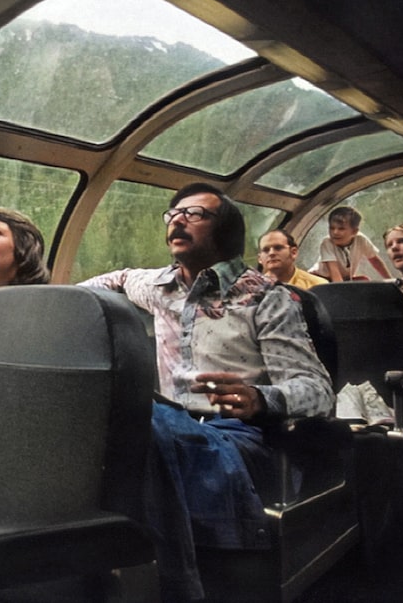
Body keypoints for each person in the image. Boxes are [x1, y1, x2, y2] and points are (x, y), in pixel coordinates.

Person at [79, 182, 333, 601]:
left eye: (195, 214)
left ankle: (180, 589)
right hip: (167, 421)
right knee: (114, 416)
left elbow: (318, 390)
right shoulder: (156, 286)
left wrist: (260, 398)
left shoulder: (267, 299)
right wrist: (51, 302)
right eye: (174, 213)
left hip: (238, 435)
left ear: (225, 232)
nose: (178, 219)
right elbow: (116, 280)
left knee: (141, 424)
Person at [337, 219, 403, 423]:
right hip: (383, 369)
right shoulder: (387, 292)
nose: (394, 248)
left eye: (402, 241)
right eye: (389, 245)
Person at [311, 205, 391, 282]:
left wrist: (390, 280)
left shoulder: (360, 239)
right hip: (320, 278)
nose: (335, 232)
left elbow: (375, 261)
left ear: (354, 231)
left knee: (364, 281)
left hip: (344, 278)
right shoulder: (327, 243)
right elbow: (334, 271)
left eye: (341, 229)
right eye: (332, 228)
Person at [258, 228, 327, 289]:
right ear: (260, 258)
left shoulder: (317, 285)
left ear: (293, 252)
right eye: (266, 250)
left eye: (278, 248)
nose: (271, 253)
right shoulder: (252, 288)